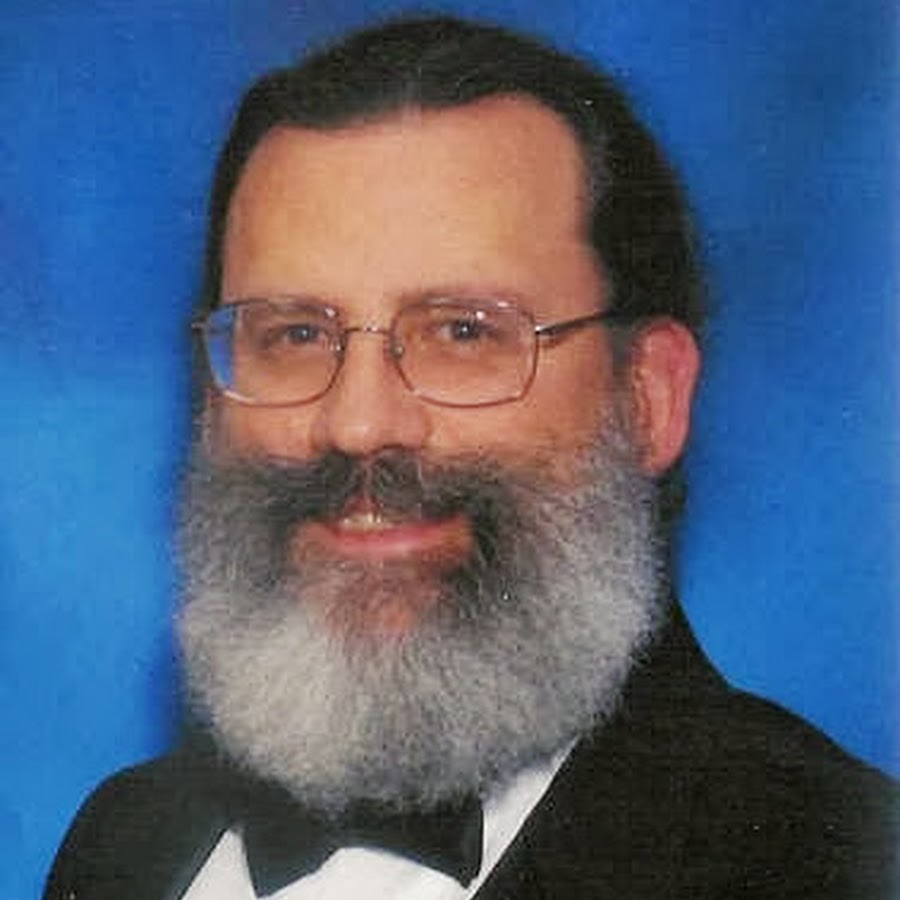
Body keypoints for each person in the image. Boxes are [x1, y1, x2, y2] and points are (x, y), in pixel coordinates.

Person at [43, 14, 895, 900]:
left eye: (463, 332)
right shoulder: (126, 842)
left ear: (647, 398)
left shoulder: (832, 866)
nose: (358, 423)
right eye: (294, 334)